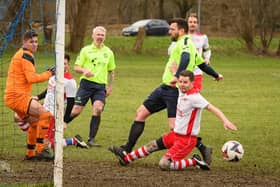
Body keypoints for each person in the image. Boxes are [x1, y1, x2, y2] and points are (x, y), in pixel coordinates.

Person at [110, 18, 223, 165]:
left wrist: (177, 76)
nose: (169, 31)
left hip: (173, 91)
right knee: (140, 113)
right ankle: (126, 149)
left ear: (181, 31)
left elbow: (186, 57)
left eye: (172, 29)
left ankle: (202, 147)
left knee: (174, 127)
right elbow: (201, 64)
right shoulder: (185, 44)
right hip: (163, 88)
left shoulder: (185, 43)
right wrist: (216, 75)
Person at [109, 70, 237, 171]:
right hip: (174, 135)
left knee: (164, 164)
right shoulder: (181, 92)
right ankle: (126, 159)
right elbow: (176, 79)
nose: (182, 84)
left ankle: (194, 161)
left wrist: (225, 120)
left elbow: (212, 108)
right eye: (180, 81)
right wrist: (175, 70)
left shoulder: (195, 97)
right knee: (151, 146)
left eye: (185, 82)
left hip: (186, 140)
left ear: (192, 83)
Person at [14, 54, 89, 150]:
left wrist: (64, 121)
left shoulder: (70, 82)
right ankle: (36, 139)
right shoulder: (53, 74)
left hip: (52, 115)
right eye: (60, 63)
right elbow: (49, 89)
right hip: (42, 108)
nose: (62, 65)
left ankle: (73, 140)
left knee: (46, 145)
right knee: (18, 116)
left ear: (68, 65)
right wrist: (38, 97)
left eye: (65, 64)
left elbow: (70, 102)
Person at [167, 13, 214, 164]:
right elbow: (171, 52)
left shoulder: (202, 37)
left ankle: (192, 143)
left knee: (189, 107)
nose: (193, 24)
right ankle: (189, 143)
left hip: (196, 77)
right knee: (181, 110)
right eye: (191, 22)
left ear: (197, 23)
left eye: (195, 22)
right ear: (186, 24)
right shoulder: (180, 39)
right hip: (180, 78)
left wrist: (207, 58)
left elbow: (207, 50)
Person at [4, 30, 55, 160]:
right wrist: (49, 73)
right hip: (17, 97)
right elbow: (31, 78)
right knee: (46, 115)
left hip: (13, 97)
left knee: (34, 121)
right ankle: (40, 149)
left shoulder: (22, 54)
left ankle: (30, 154)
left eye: (36, 42)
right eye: (31, 42)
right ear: (24, 42)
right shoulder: (26, 55)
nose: (34, 44)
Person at [65, 26, 116, 147]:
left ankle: (91, 139)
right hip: (86, 85)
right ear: (93, 36)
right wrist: (84, 71)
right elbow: (76, 67)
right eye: (98, 35)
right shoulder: (85, 50)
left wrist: (110, 86)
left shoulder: (108, 52)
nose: (100, 37)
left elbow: (111, 70)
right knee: (76, 111)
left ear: (105, 37)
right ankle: (58, 126)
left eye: (102, 35)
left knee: (98, 109)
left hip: (100, 87)